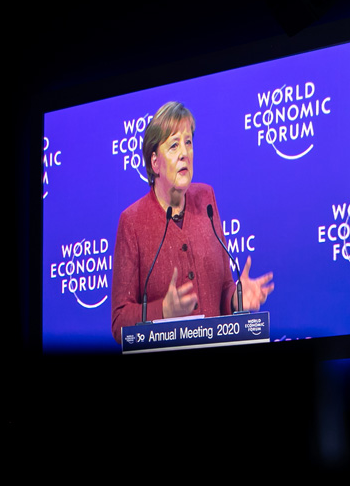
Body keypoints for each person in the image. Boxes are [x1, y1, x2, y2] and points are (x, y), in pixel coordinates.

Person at [110, 101, 274, 342]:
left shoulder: (207, 199)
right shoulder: (132, 222)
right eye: (174, 145)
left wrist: (236, 298)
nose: (184, 153)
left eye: (188, 142)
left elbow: (224, 288)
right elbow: (119, 321)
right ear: (155, 162)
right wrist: (163, 311)